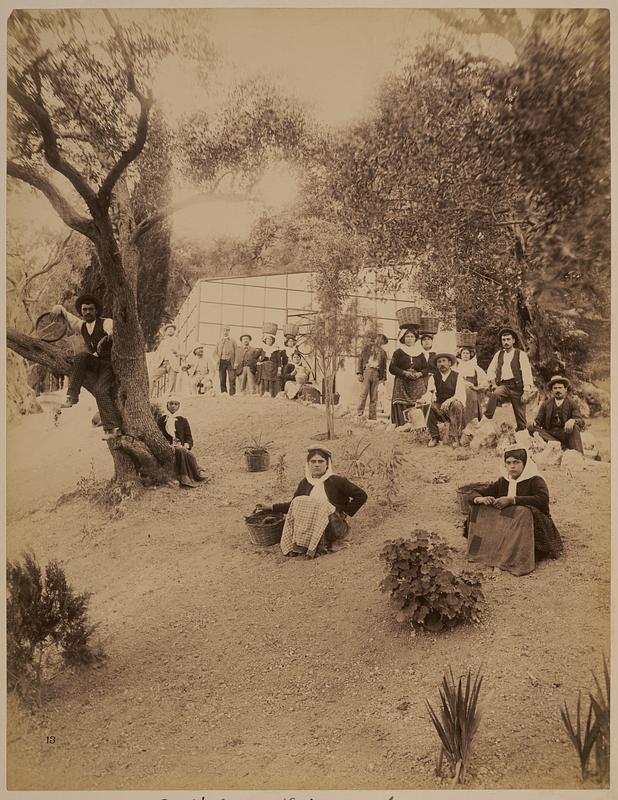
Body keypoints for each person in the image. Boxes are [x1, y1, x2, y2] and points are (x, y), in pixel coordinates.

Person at [467, 446, 563, 576]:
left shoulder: (535, 480)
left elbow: (542, 499)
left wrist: (513, 500)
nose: (512, 466)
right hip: (510, 525)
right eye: (508, 463)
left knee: (522, 512)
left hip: (536, 526)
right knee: (479, 508)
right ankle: (481, 551)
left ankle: (515, 558)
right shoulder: (503, 481)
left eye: (516, 462)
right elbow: (472, 493)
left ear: (525, 463)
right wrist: (481, 499)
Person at [257, 448, 367, 558]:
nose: (317, 465)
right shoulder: (305, 483)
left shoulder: (337, 481)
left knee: (322, 506)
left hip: (332, 525)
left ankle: (326, 543)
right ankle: (303, 544)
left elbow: (361, 496)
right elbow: (293, 505)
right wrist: (270, 507)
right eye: (313, 462)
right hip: (310, 524)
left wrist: (344, 512)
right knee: (300, 502)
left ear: (327, 464)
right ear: (308, 465)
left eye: (321, 461)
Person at [51, 295, 122, 439]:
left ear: (96, 311)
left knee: (100, 390)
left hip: (109, 363)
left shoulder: (106, 322)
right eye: (84, 310)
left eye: (90, 309)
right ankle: (72, 396)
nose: (87, 312)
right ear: (81, 312)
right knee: (81, 356)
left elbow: (114, 333)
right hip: (95, 362)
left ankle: (112, 429)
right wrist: (59, 308)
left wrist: (107, 337)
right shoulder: (82, 325)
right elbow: (68, 316)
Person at [483, 327, 534, 431]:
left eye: (508, 339)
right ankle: (486, 419)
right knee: (496, 393)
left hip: (518, 388)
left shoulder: (521, 354)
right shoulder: (499, 354)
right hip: (504, 386)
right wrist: (493, 384)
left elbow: (527, 373)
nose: (506, 342)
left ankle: (521, 432)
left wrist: (526, 391)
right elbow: (490, 370)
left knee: (521, 422)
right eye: (503, 340)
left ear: (513, 341)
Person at [156, 397, 207, 488]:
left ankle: (196, 473)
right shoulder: (161, 420)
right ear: (167, 404)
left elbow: (188, 437)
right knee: (181, 451)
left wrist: (187, 445)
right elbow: (158, 436)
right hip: (167, 446)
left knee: (189, 454)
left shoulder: (183, 420)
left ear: (179, 406)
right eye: (171, 403)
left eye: (176, 404)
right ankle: (184, 477)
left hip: (181, 446)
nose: (173, 406)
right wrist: (167, 444)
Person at [418, 353, 466, 448]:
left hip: (453, 408)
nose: (442, 364)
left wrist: (449, 401)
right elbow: (430, 394)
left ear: (449, 363)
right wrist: (423, 399)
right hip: (439, 409)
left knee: (456, 404)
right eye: (439, 362)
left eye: (444, 361)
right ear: (436, 365)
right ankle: (434, 436)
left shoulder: (457, 376)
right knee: (426, 405)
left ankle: (454, 437)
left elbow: (460, 394)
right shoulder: (433, 378)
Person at [529, 375, 585, 455]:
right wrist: (532, 422)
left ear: (565, 389)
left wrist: (573, 420)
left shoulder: (572, 404)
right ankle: (559, 445)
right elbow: (538, 421)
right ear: (551, 391)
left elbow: (581, 422)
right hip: (549, 434)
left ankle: (578, 455)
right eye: (555, 388)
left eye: (560, 388)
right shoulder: (546, 404)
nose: (557, 390)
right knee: (532, 428)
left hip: (565, 433)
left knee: (575, 427)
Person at [389, 327, 425, 427]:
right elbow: (392, 368)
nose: (409, 339)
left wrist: (419, 374)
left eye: (412, 337)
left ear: (415, 339)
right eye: (407, 336)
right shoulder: (398, 352)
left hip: (416, 381)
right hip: (402, 381)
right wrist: (404, 372)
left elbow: (426, 368)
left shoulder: (420, 353)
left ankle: (418, 424)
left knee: (420, 400)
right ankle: (401, 424)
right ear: (403, 339)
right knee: (400, 401)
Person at [357, 333, 388, 420]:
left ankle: (372, 416)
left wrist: (383, 379)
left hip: (377, 373)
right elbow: (360, 361)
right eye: (379, 339)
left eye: (382, 341)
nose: (380, 341)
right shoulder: (367, 349)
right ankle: (359, 413)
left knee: (374, 397)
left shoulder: (383, 353)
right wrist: (359, 373)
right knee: (363, 394)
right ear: (375, 339)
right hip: (367, 371)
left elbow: (384, 366)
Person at [456, 346, 489, 425]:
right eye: (463, 353)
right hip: (461, 391)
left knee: (474, 408)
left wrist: (478, 387)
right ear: (460, 355)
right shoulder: (457, 367)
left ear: (470, 355)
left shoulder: (475, 366)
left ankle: (474, 425)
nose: (465, 355)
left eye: (467, 353)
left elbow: (484, 379)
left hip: (473, 391)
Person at [150, 324, 181, 396]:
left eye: (172, 329)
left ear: (174, 331)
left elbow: (183, 353)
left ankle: (169, 397)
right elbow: (158, 353)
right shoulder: (163, 342)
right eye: (168, 329)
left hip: (172, 363)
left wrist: (177, 352)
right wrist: (155, 363)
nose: (170, 330)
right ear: (166, 332)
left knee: (171, 383)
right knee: (152, 378)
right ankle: (149, 396)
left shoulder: (177, 341)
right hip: (162, 363)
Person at [213, 326, 240, 396]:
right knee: (222, 378)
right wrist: (217, 359)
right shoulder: (218, 341)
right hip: (221, 362)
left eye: (227, 330)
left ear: (229, 331)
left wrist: (236, 362)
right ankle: (224, 393)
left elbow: (237, 352)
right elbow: (214, 353)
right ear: (222, 331)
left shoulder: (233, 341)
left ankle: (232, 394)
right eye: (224, 330)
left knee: (232, 378)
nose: (226, 332)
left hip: (231, 361)